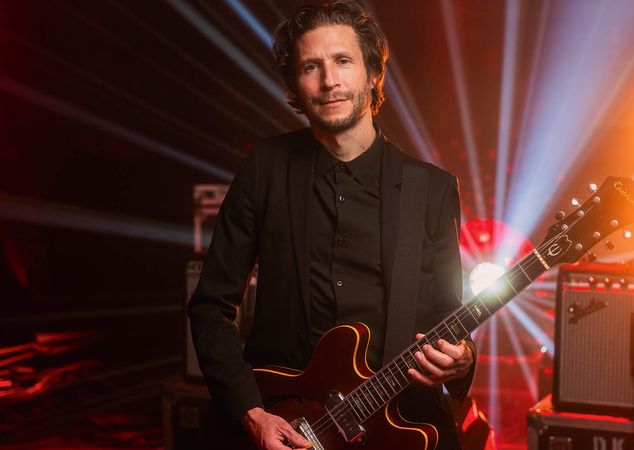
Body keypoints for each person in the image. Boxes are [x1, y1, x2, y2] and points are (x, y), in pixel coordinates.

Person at [187, 1, 476, 449]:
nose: (329, 81)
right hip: (280, 420)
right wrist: (252, 413)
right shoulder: (266, 167)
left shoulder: (433, 189)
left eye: (343, 61)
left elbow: (447, 314)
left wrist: (461, 361)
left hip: (394, 426)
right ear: (294, 87)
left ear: (373, 74)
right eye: (311, 67)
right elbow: (209, 307)